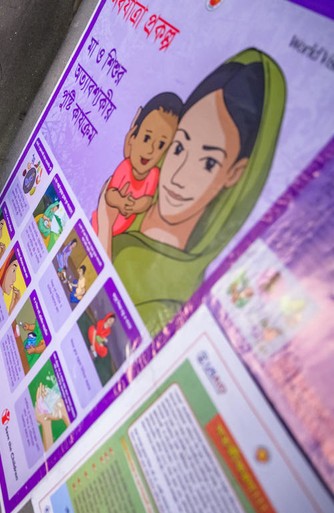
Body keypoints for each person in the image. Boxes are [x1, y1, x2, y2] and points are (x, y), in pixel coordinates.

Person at [96, 49, 286, 336]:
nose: (179, 175)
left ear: (234, 173)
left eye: (208, 162)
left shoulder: (173, 304)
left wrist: (105, 228)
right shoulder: (136, 196)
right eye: (179, 146)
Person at [92, 92, 182, 237]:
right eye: (146, 138)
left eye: (161, 145)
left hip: (115, 234)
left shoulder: (154, 175)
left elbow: (147, 200)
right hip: (96, 225)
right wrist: (121, 202)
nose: (151, 150)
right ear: (133, 137)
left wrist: (135, 205)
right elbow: (110, 193)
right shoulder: (125, 167)